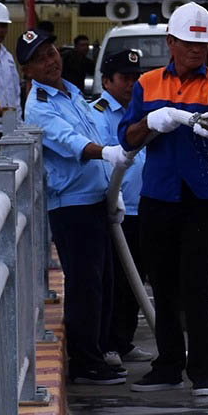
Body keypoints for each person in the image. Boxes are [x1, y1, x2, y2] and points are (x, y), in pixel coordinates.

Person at [119, 2, 208, 396]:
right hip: (158, 195)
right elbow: (126, 138)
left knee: (196, 286)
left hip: (198, 197)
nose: (195, 51)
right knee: (163, 285)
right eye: (188, 44)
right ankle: (168, 366)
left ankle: (205, 373)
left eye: (202, 46)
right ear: (170, 42)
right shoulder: (147, 83)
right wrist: (148, 122)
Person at [20, 28, 134, 385]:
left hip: (97, 199)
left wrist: (113, 192)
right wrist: (108, 153)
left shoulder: (70, 92)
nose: (50, 61)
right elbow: (73, 142)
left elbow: (96, 130)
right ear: (28, 71)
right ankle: (84, 362)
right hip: (71, 205)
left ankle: (98, 352)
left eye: (51, 52)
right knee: (86, 284)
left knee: (104, 281)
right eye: (40, 59)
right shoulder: (39, 105)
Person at [90, 50, 155, 368]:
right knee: (113, 280)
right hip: (117, 211)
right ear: (106, 81)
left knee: (135, 279)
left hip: (144, 206)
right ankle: (107, 345)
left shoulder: (142, 110)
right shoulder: (98, 114)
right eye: (124, 79)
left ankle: (124, 341)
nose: (131, 84)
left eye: (135, 78)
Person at [0, 2, 20, 146]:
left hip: (10, 130)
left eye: (3, 26)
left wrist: (19, 124)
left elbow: (16, 93)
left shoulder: (7, 57)